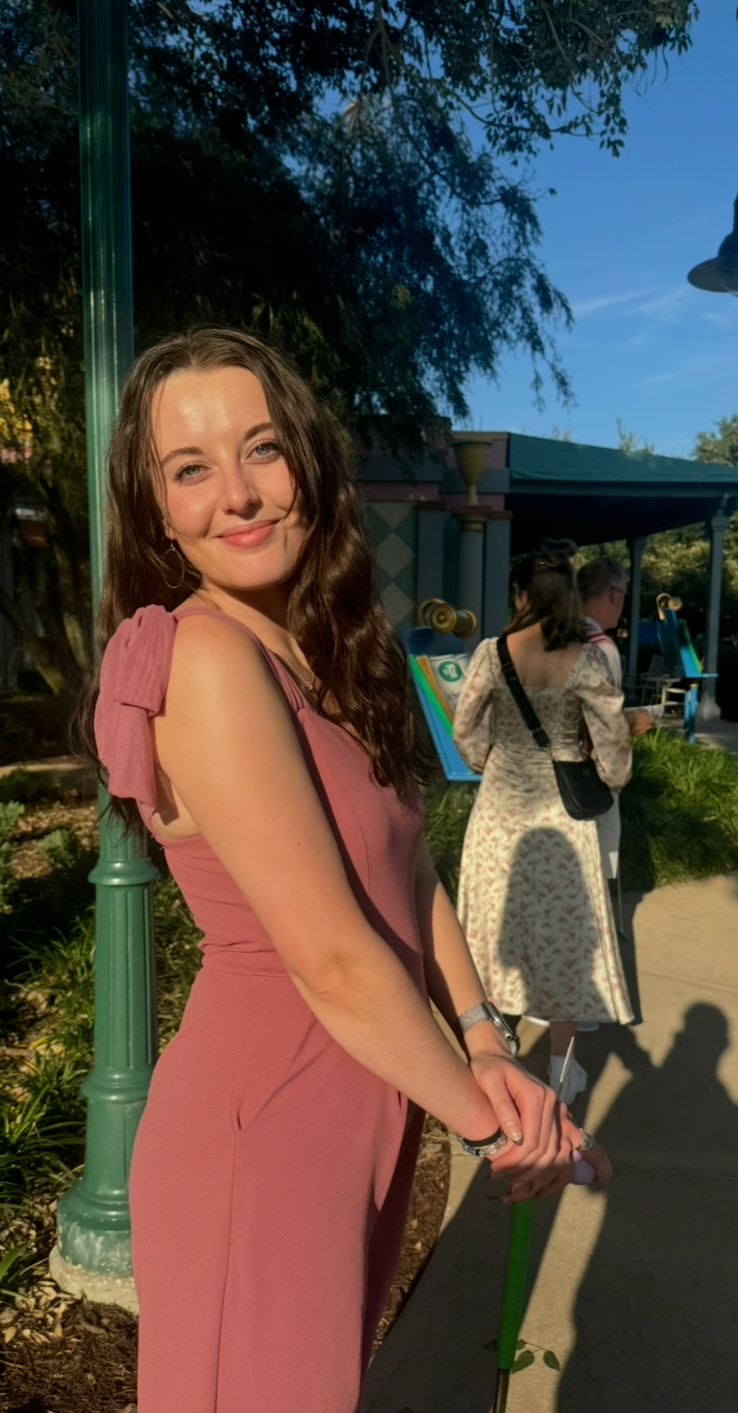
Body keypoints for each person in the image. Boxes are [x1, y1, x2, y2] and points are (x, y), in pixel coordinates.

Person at [79, 332, 608, 1413]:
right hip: (261, 1125)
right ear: (154, 510)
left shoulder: (317, 646)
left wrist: (477, 1036)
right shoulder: (208, 657)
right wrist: (491, 1122)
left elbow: (404, 861)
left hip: (360, 1097)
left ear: (308, 465)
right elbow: (324, 951)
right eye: (189, 468)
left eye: (260, 449)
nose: (234, 493)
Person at [453, 540, 634, 1107]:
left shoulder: (491, 651)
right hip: (562, 819)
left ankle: (496, 1064)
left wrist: (490, 762)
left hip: (498, 817)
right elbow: (612, 747)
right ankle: (560, 1071)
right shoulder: (586, 658)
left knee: (491, 938)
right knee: (564, 943)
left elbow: (465, 729)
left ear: (521, 594)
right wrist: (608, 776)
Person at [576, 554, 653, 883]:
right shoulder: (602, 648)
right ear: (613, 594)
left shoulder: (552, 638)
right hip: (590, 777)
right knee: (597, 872)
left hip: (545, 777)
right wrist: (629, 721)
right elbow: (603, 724)